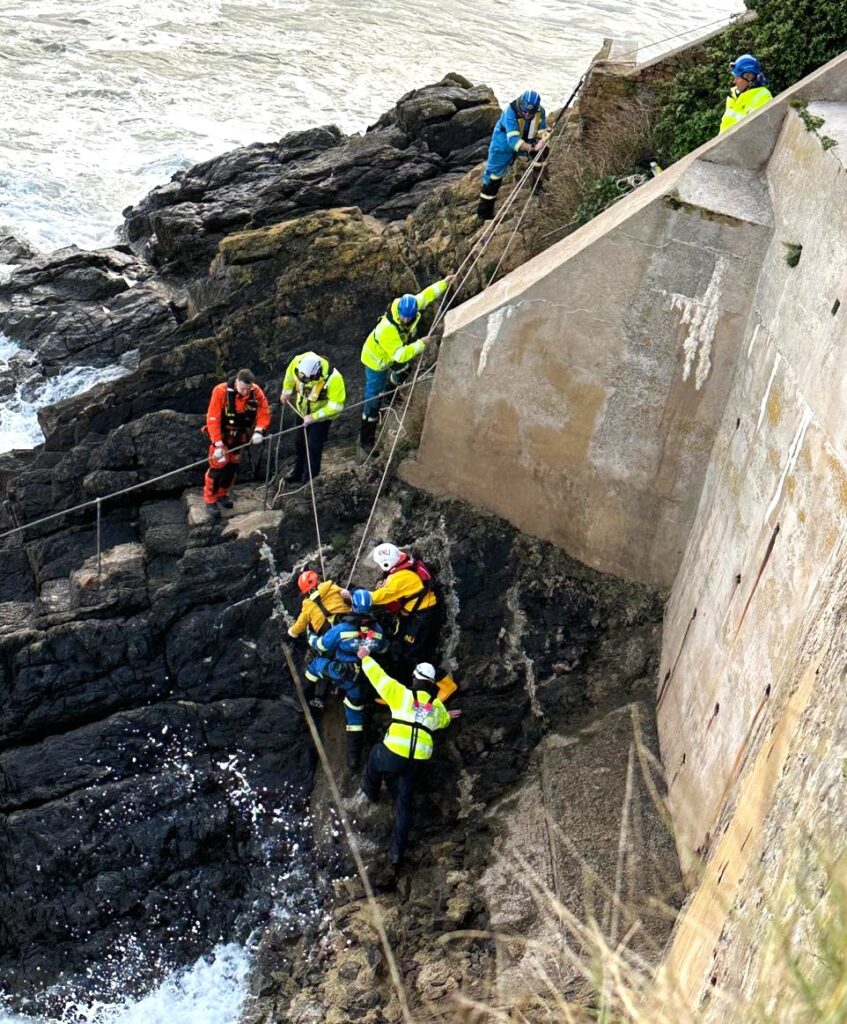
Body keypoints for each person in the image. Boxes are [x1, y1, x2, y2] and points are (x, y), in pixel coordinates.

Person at [355, 652, 460, 868]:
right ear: (432, 683)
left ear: (414, 677)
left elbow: (378, 677)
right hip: (417, 760)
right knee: (404, 803)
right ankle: (396, 854)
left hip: (393, 753)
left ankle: (370, 791)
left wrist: (365, 657)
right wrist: (449, 716)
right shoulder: (437, 706)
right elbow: (443, 721)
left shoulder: (401, 694)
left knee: (375, 754)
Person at [359, 276, 454, 454]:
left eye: (408, 317)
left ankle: (389, 394)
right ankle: (366, 440)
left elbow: (427, 295)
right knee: (373, 398)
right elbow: (400, 355)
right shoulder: (387, 329)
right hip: (376, 361)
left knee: (404, 370)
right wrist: (421, 344)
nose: (405, 320)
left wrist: (444, 283)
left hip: (392, 353)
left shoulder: (411, 305)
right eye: (403, 317)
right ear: (399, 312)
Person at [305, 589, 387, 768]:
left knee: (315, 665)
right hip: (362, 680)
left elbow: (320, 644)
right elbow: (383, 649)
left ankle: (305, 697)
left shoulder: (342, 630)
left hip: (340, 673)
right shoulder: (377, 631)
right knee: (354, 715)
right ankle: (353, 760)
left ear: (354, 606)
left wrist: (309, 635)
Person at [366, 542, 441, 679]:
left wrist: (356, 596)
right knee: (399, 647)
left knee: (411, 652)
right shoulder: (403, 565)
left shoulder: (401, 577)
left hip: (421, 616)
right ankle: (407, 679)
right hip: (414, 614)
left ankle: (432, 683)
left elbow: (382, 596)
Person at [203, 368, 270, 516]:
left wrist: (259, 430)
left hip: (240, 436)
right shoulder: (220, 391)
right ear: (236, 382)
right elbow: (213, 418)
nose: (245, 392)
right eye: (242, 389)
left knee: (232, 468)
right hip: (222, 435)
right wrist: (218, 444)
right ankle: (210, 500)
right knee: (217, 467)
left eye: (248, 389)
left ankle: (222, 494)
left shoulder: (256, 392)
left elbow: (263, 411)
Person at [478, 90, 548, 222]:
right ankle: (484, 213)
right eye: (525, 111)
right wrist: (532, 148)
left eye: (530, 112)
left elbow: (541, 129)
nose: (527, 115)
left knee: (543, 152)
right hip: (503, 143)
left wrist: (543, 138)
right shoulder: (510, 112)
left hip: (527, 139)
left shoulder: (540, 112)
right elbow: (513, 140)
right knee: (493, 175)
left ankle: (537, 186)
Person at [289, 570, 352, 710]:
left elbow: (300, 624)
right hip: (348, 630)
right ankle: (336, 689)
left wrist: (291, 633)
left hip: (328, 638)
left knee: (323, 663)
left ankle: (318, 697)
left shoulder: (307, 605)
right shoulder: (332, 587)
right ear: (317, 580)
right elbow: (347, 596)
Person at [280, 351, 346, 485]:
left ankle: (309, 479)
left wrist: (314, 416)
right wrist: (286, 392)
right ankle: (297, 473)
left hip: (321, 417)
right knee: (299, 442)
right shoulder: (298, 362)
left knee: (314, 446)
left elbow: (336, 406)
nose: (306, 383)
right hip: (302, 412)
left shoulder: (334, 378)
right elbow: (289, 376)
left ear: (317, 373)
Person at [719, 55, 773, 134]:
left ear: (749, 77)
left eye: (737, 77)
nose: (734, 81)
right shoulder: (733, 95)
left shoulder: (763, 97)